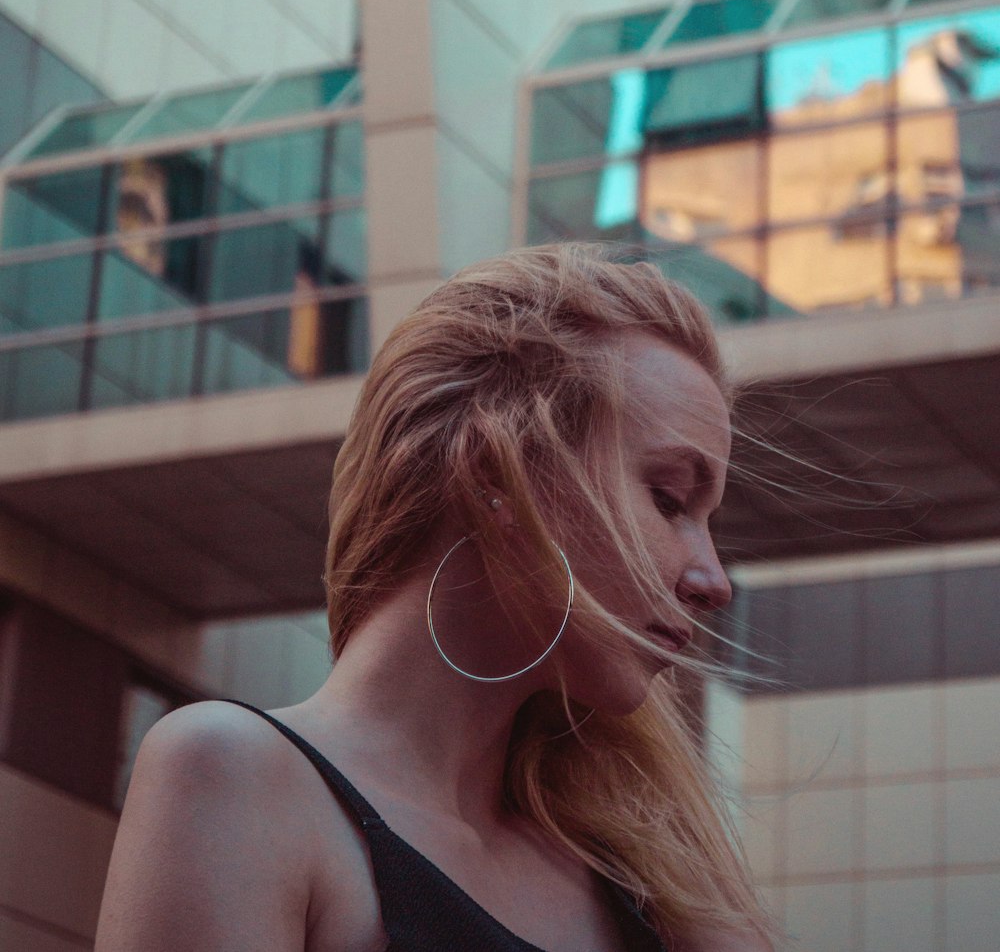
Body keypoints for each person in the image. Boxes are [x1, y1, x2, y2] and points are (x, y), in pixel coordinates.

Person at [96, 243, 774, 952]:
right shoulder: (233, 776)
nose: (713, 579)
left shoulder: (652, 891)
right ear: (495, 473)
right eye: (669, 500)